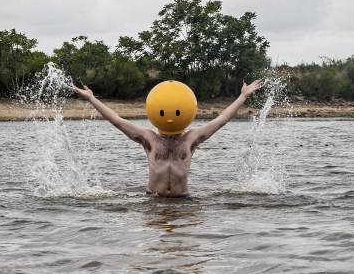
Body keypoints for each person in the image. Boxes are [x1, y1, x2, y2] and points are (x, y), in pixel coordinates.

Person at [71, 79, 263, 197]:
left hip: (183, 200)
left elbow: (221, 119)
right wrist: (92, 99)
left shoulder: (191, 138)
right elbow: (117, 120)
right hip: (152, 199)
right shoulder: (148, 138)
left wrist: (243, 96)